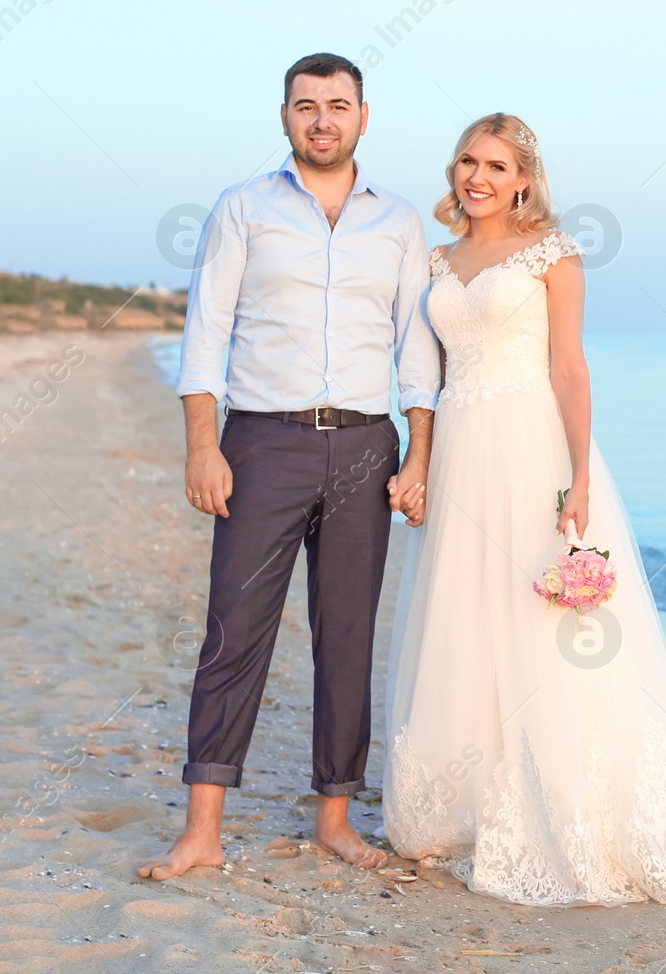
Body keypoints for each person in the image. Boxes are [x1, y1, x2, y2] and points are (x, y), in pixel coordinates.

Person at [381, 113, 666, 905]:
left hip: (532, 445)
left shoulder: (554, 256)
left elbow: (569, 368)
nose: (478, 177)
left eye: (497, 166)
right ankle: (462, 802)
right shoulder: (434, 260)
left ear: (524, 180)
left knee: (547, 627)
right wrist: (421, 460)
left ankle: (569, 812)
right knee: (465, 619)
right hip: (463, 448)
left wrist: (579, 472)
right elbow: (423, 380)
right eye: (468, 161)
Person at [138, 52, 439, 880]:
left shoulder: (400, 222)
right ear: (284, 118)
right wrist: (203, 444)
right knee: (234, 631)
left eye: (337, 105)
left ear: (363, 117)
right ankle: (202, 831)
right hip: (261, 443)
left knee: (346, 636)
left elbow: (416, 346)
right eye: (306, 106)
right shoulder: (243, 209)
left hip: (367, 446)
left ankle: (336, 819)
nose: (321, 120)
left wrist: (420, 451)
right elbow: (205, 333)